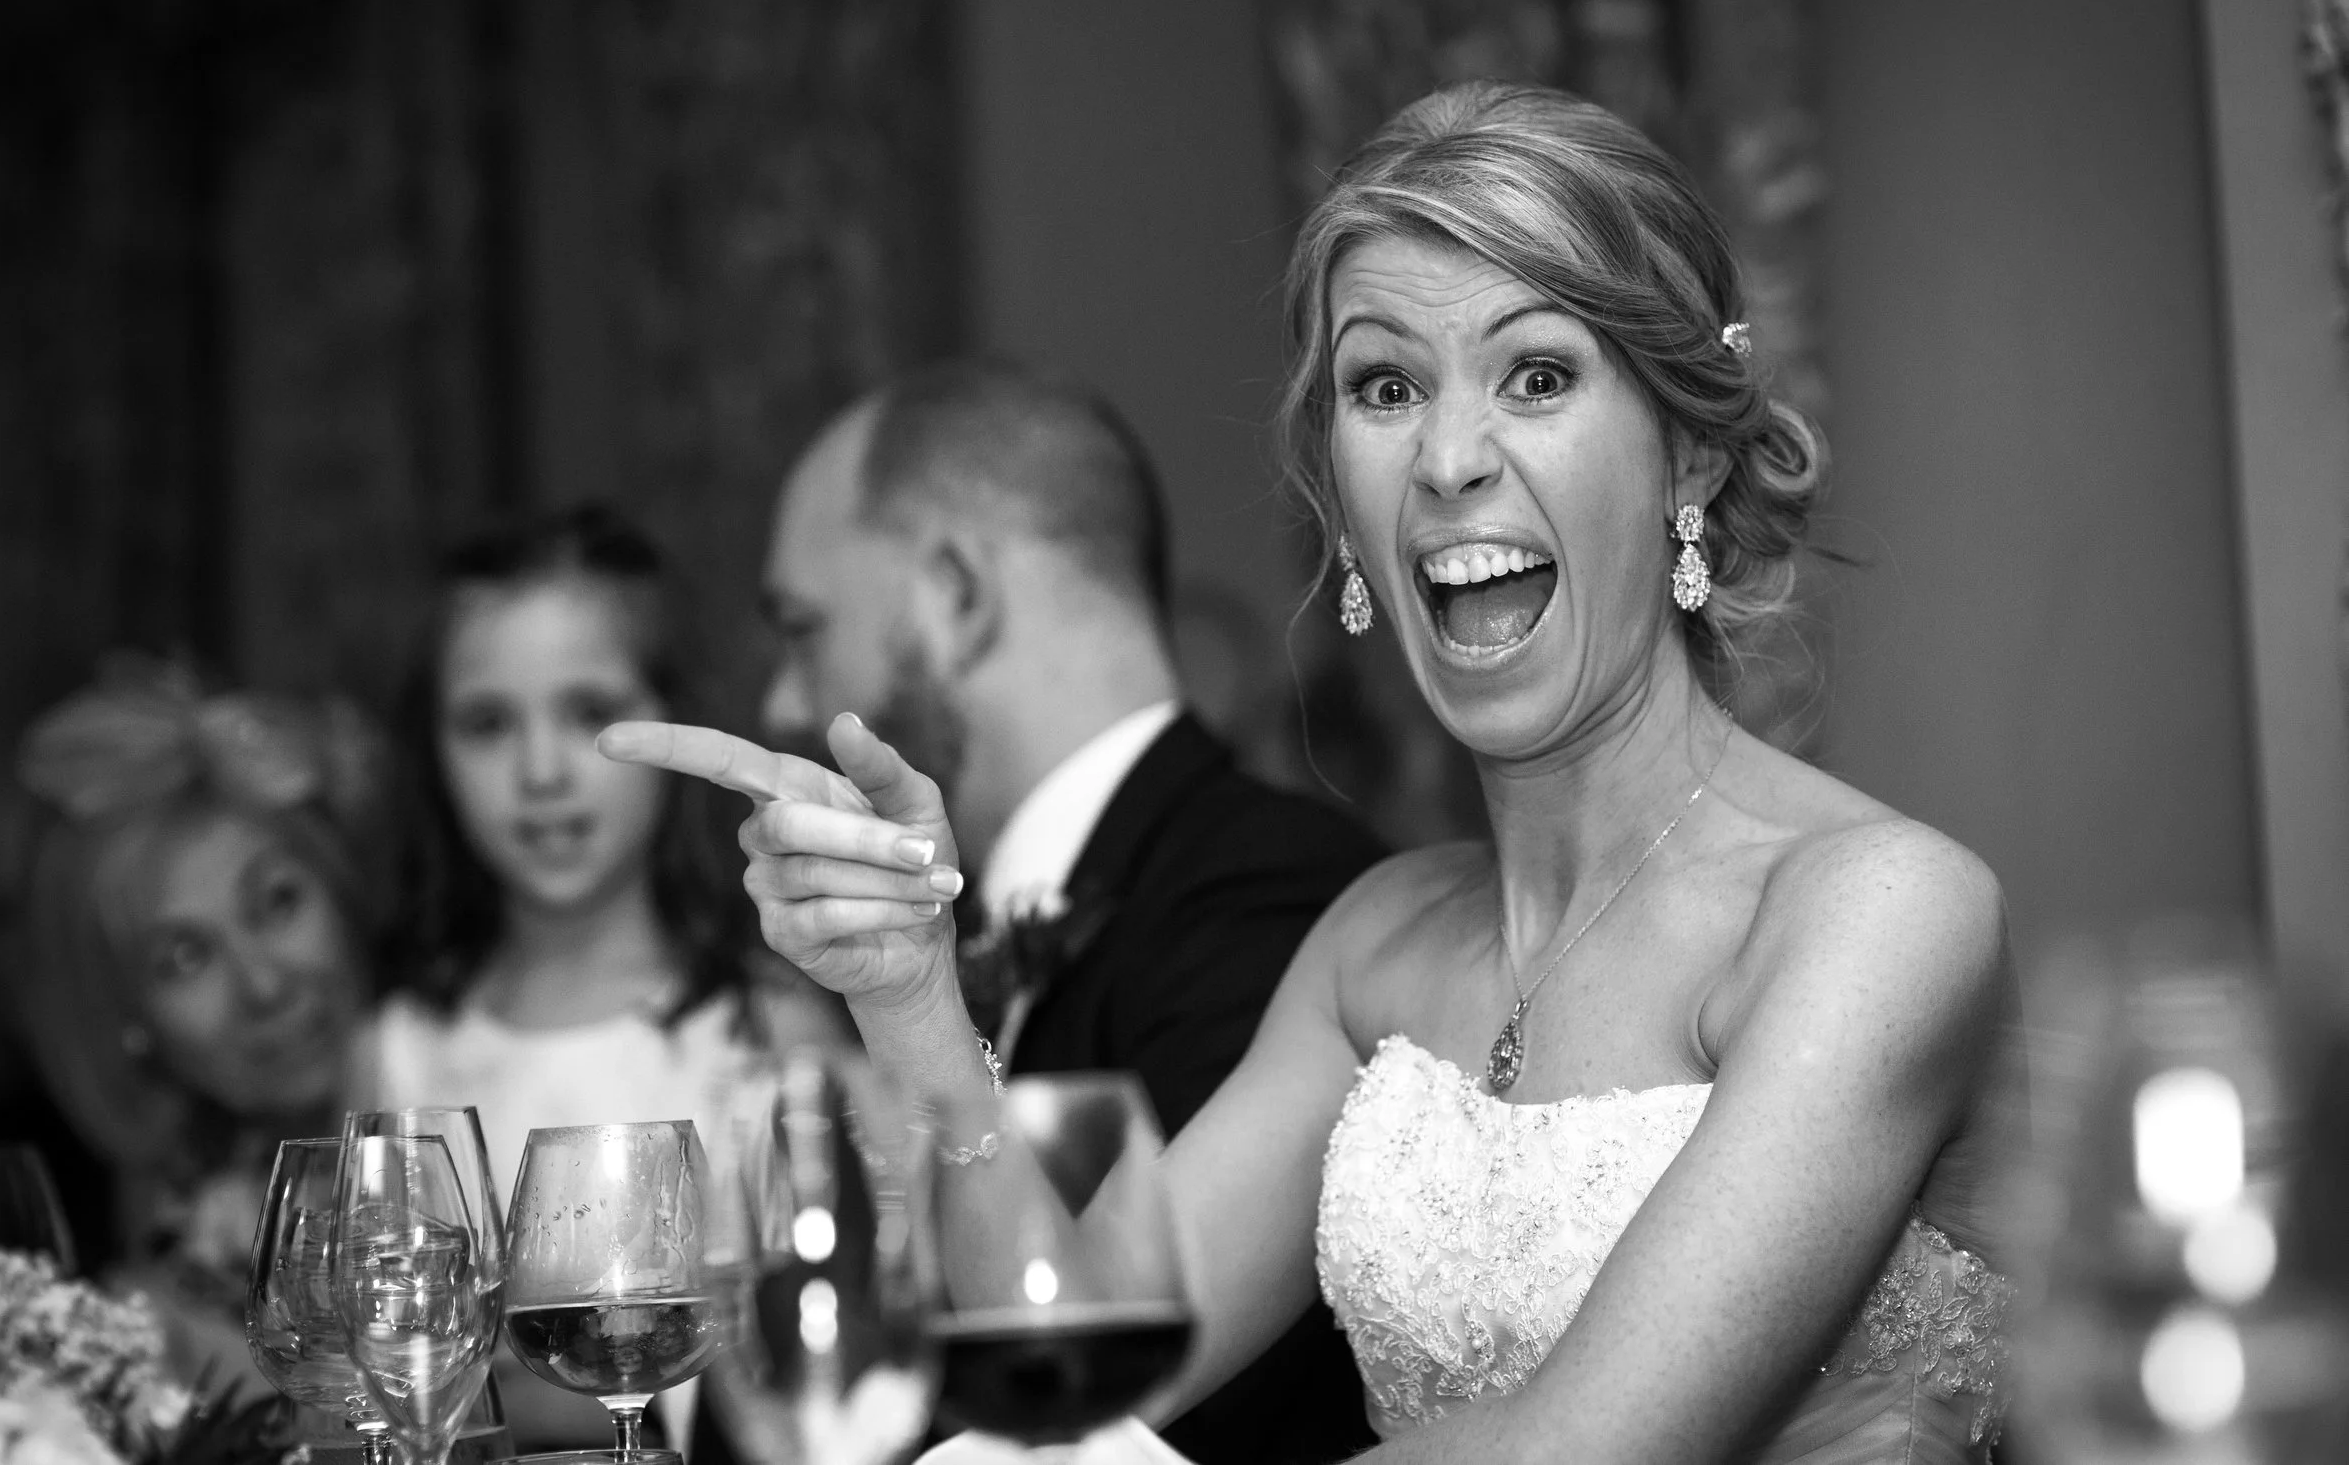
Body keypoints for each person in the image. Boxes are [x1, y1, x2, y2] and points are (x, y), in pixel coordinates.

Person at [604, 84, 2020, 1465]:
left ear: (1689, 458)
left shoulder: (1878, 914)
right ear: (1340, 503)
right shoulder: (1373, 944)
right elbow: (1078, 1348)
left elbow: (1583, 1441)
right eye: (1386, 385)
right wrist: (908, 989)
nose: (1452, 457)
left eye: (1538, 373)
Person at [756, 365, 1386, 1464]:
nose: (782, 703)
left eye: (804, 630)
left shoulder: (1274, 896)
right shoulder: (949, 929)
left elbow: (1140, 1405)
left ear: (957, 595)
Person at [361, 503, 842, 1448]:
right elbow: (374, 1375)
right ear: (432, 748)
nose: (541, 770)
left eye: (590, 712)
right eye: (488, 722)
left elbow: (820, 1375)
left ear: (675, 719)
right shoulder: (398, 1046)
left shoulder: (770, 1028)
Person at [5, 654, 381, 1395]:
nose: (264, 982)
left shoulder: (498, 1087)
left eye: (276, 901)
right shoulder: (137, 1335)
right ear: (127, 1020)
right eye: (186, 957)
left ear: (337, 889)